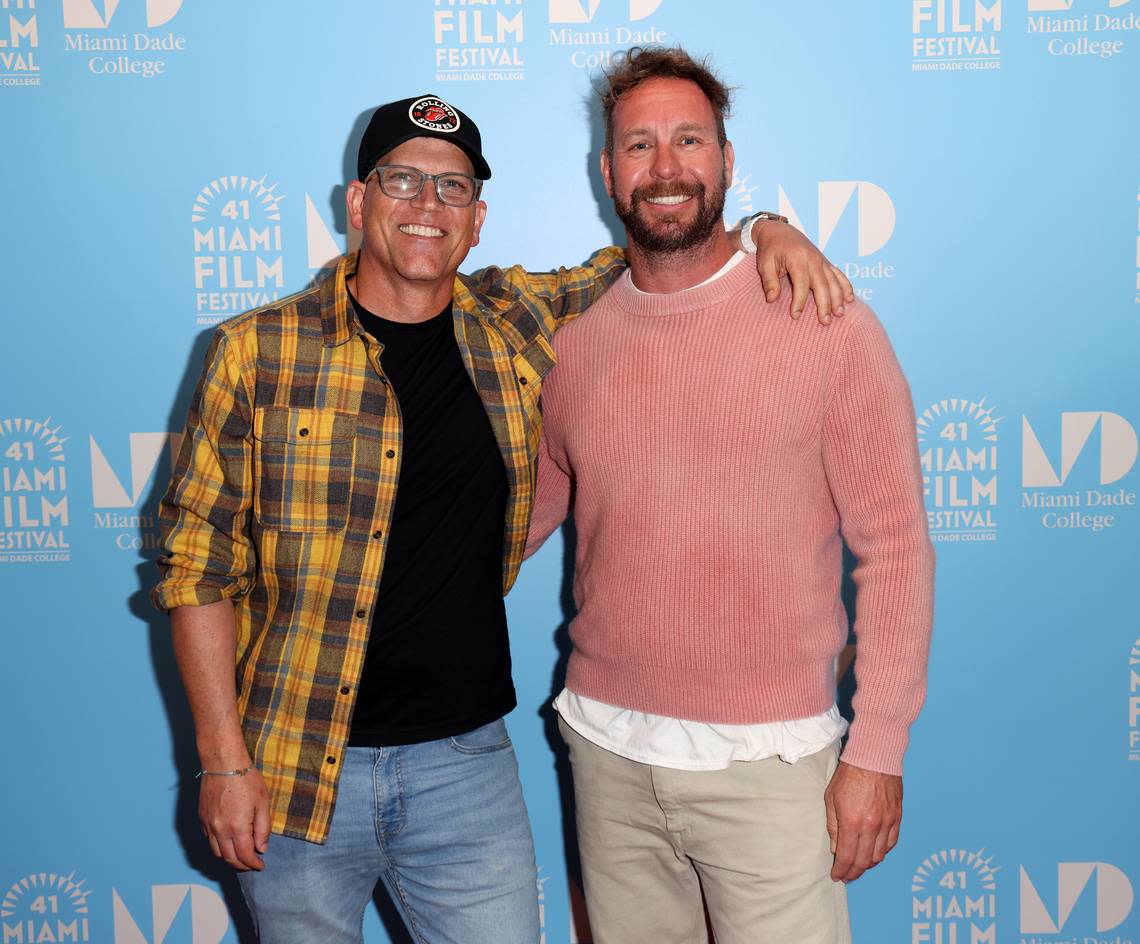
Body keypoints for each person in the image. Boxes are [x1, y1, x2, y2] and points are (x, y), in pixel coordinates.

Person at [151, 91, 849, 943]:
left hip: (465, 772)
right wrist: (222, 762)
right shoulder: (255, 352)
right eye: (402, 180)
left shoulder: (510, 325)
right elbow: (195, 569)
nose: (425, 207)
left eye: (451, 189)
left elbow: (656, 244)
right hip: (293, 767)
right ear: (358, 201)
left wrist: (763, 226)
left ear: (477, 219)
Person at [526, 47, 936, 944]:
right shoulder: (572, 345)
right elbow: (522, 518)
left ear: (726, 160)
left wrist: (877, 753)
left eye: (689, 141)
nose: (666, 168)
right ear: (606, 169)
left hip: (775, 764)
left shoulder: (821, 318)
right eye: (639, 145)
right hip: (606, 756)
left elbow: (897, 546)